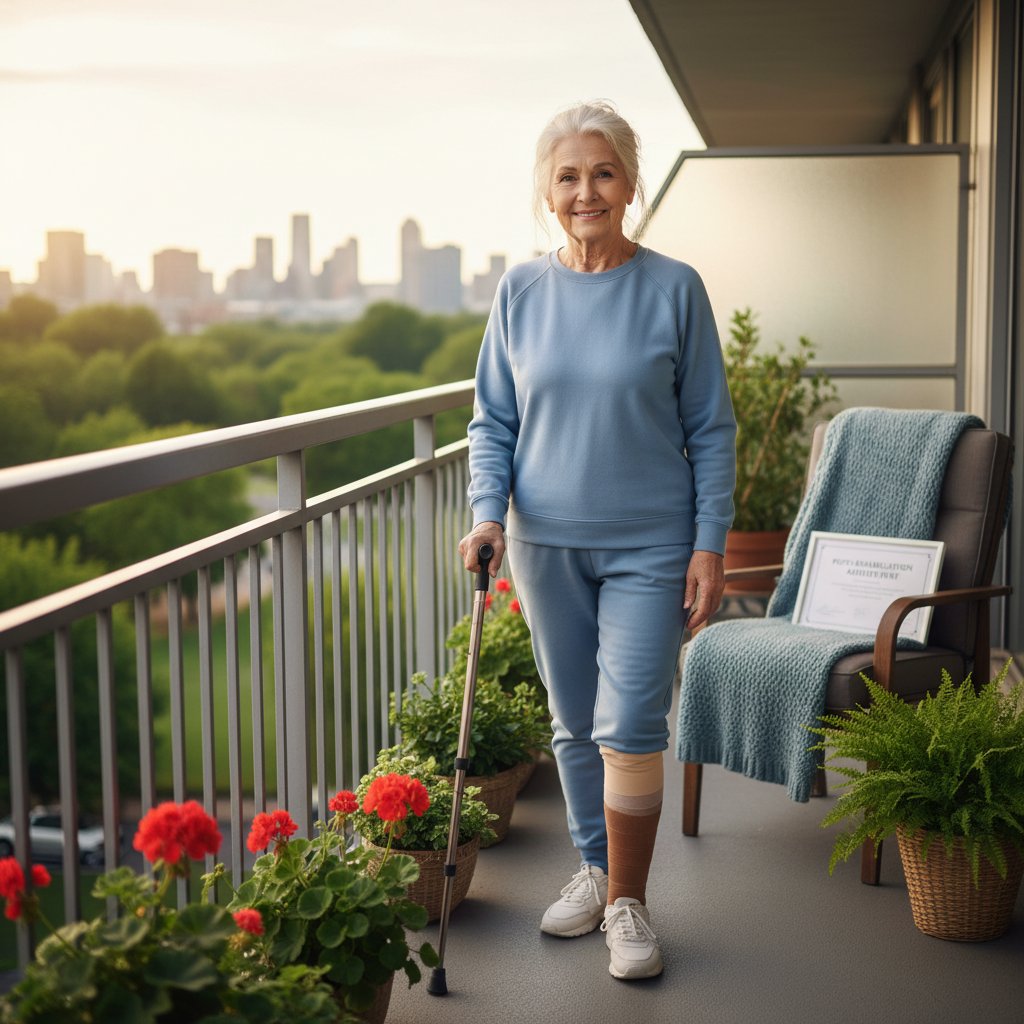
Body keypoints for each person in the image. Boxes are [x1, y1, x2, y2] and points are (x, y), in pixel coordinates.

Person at [458, 101, 736, 981]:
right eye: (570, 176)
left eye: (603, 172)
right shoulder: (520, 292)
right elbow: (493, 421)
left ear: (630, 184)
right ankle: (593, 866)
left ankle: (628, 902)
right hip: (545, 543)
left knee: (631, 723)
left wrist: (709, 543)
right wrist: (488, 514)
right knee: (573, 721)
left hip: (652, 543)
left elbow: (712, 427)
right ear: (549, 192)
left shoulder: (674, 288)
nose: (587, 192)